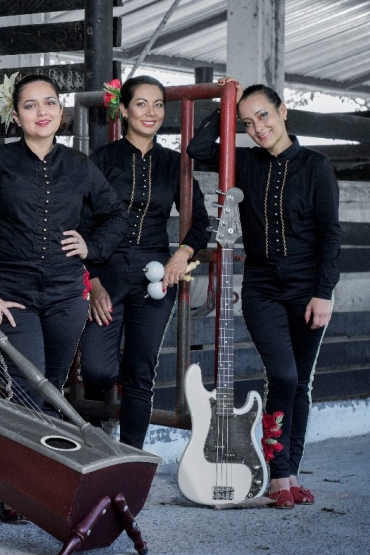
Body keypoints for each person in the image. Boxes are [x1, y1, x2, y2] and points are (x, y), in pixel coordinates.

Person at [0, 74, 127, 520]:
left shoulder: (79, 165)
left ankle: (46, 483)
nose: (42, 111)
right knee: (28, 389)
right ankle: (16, 489)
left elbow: (114, 214)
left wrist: (92, 248)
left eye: (49, 103)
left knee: (51, 390)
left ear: (61, 112)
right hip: (12, 295)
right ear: (17, 116)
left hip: (66, 295)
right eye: (31, 105)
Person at [187, 78, 341, 509]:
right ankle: (278, 473)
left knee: (300, 385)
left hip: (309, 288)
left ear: (283, 112)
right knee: (285, 376)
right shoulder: (246, 163)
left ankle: (287, 475)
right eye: (248, 122)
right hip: (261, 287)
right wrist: (225, 105)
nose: (258, 127)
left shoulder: (316, 166)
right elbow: (198, 151)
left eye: (264, 116)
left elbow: (330, 234)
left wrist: (323, 292)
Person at [78, 76, 211, 450]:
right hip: (106, 269)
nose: (150, 112)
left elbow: (199, 219)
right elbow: (82, 221)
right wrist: (94, 283)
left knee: (141, 371)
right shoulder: (101, 160)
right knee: (97, 370)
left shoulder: (175, 163)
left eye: (158, 105)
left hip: (155, 276)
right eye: (141, 104)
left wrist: (182, 252)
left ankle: (131, 458)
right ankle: (94, 426)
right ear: (123, 109)